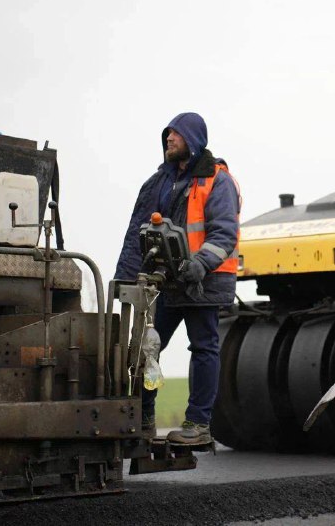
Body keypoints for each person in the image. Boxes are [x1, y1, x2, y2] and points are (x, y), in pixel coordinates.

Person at [115, 112, 240, 445]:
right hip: (166, 283)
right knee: (147, 350)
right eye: (167, 134)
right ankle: (143, 421)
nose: (169, 138)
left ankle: (198, 425)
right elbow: (135, 234)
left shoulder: (218, 181)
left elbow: (224, 233)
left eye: (176, 134)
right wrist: (125, 278)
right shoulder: (158, 183)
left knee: (203, 348)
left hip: (204, 281)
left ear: (194, 140)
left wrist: (200, 264)